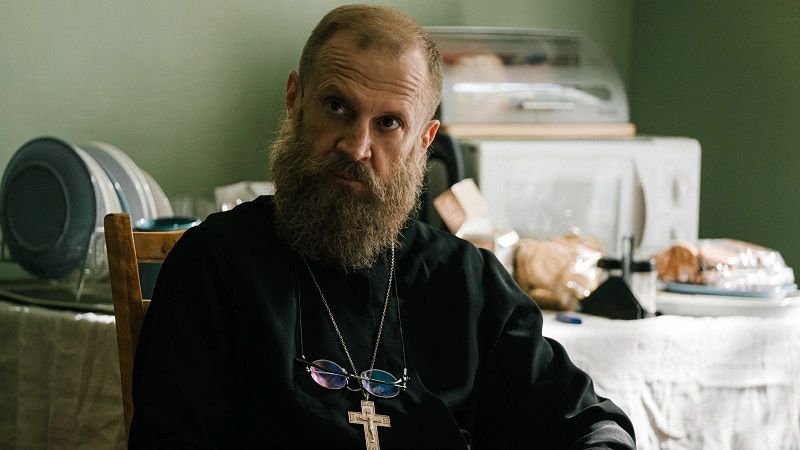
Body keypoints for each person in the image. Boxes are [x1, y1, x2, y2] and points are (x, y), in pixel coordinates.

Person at [130, 4, 636, 449]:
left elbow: (588, 423)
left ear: (424, 140)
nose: (356, 147)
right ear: (294, 98)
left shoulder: (468, 282)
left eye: (389, 123)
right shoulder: (214, 264)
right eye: (337, 107)